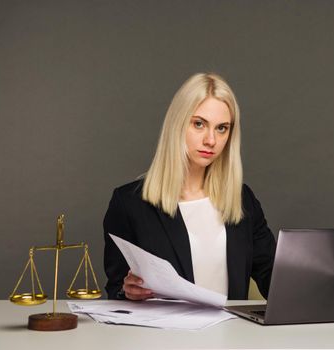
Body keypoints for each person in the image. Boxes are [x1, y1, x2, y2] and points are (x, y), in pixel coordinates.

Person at [103, 73, 276, 301]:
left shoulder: (242, 199)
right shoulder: (129, 203)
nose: (211, 140)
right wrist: (128, 291)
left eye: (222, 128)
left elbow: (273, 277)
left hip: (234, 334)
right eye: (199, 124)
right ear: (177, 124)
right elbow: (116, 289)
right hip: (165, 335)